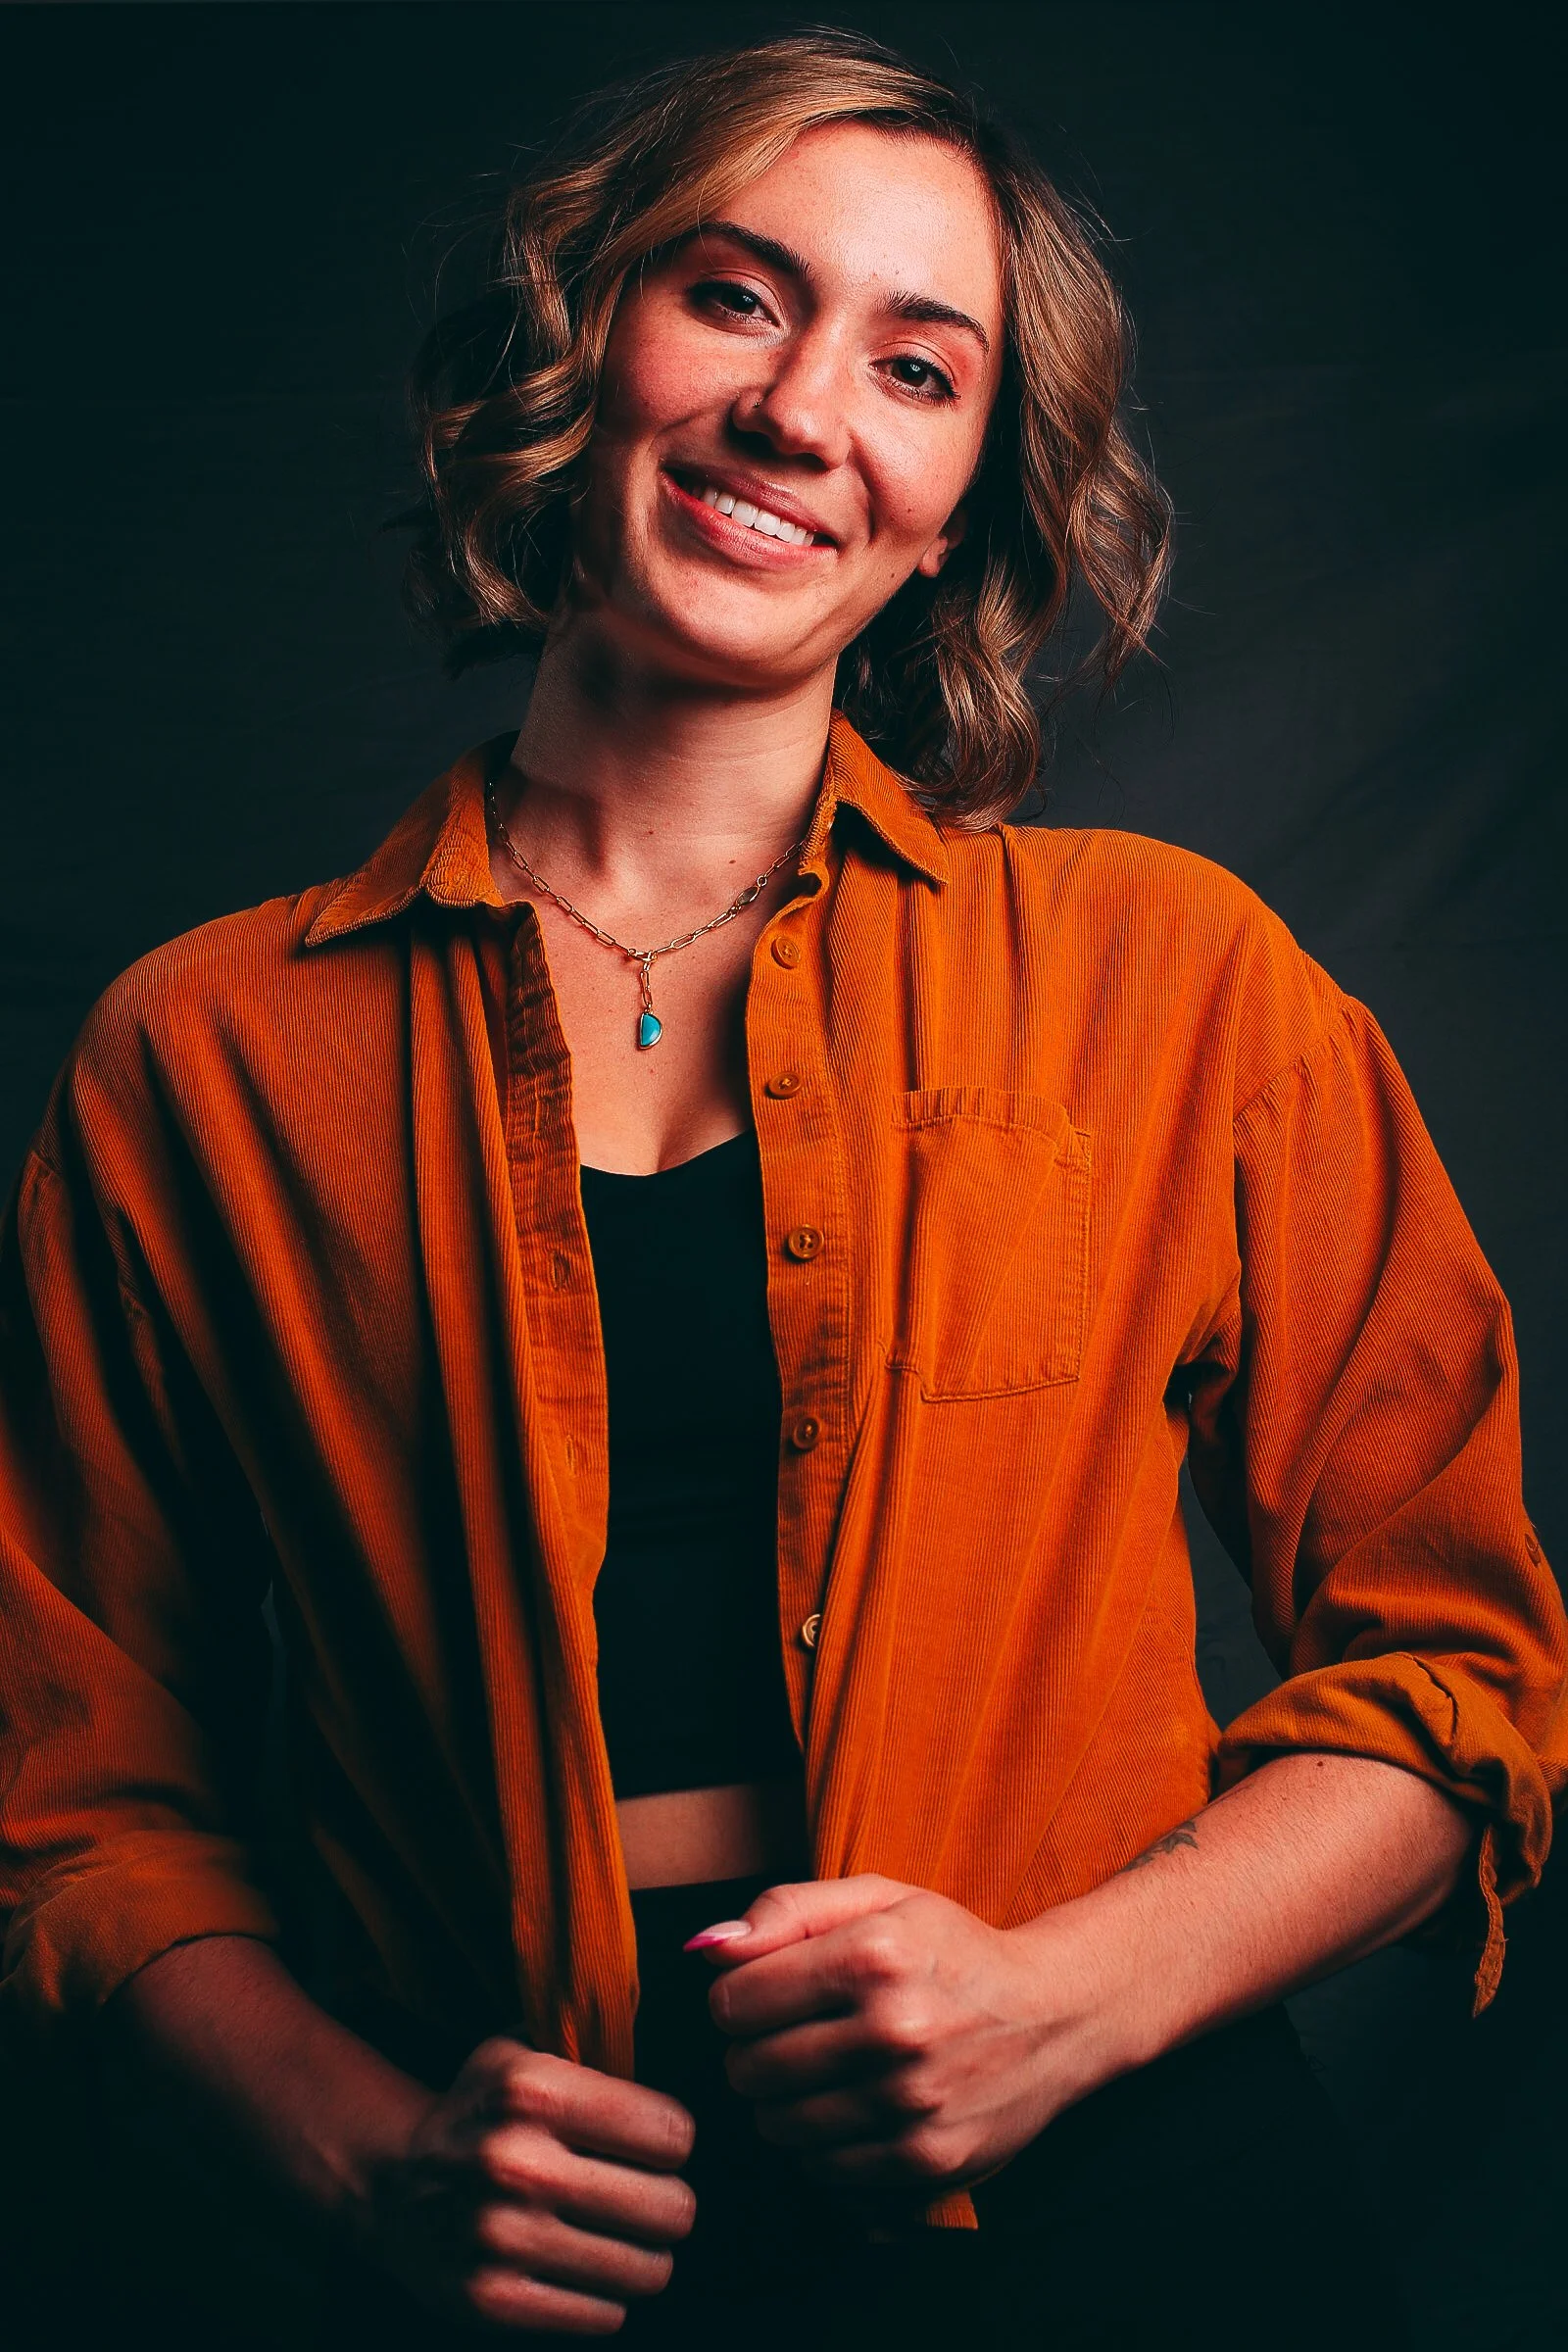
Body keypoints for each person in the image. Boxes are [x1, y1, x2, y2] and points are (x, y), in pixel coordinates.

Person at [1, 28, 1562, 2350]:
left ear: (958, 505)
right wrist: (363, 2157)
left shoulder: (1176, 979)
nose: (802, 411)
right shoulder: (201, 1051)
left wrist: (1064, 2001)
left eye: (915, 369)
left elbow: (1454, 1671)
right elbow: (77, 1786)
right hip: (506, 2253)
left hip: (1129, 2220)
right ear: (584, 345)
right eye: (734, 297)